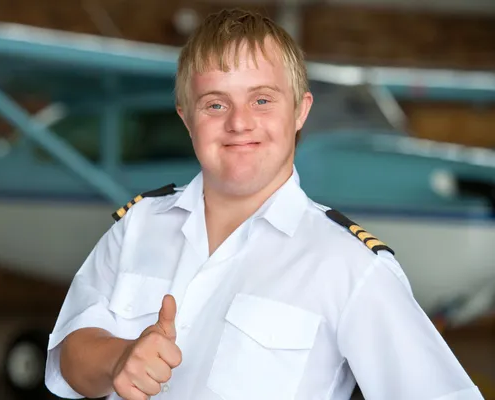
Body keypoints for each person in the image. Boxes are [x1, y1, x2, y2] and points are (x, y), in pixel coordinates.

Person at [44, 8, 484, 400]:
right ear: (186, 117)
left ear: (299, 112)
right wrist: (120, 358)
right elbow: (70, 353)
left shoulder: (351, 266)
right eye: (215, 104)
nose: (239, 122)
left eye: (262, 100)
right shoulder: (137, 225)